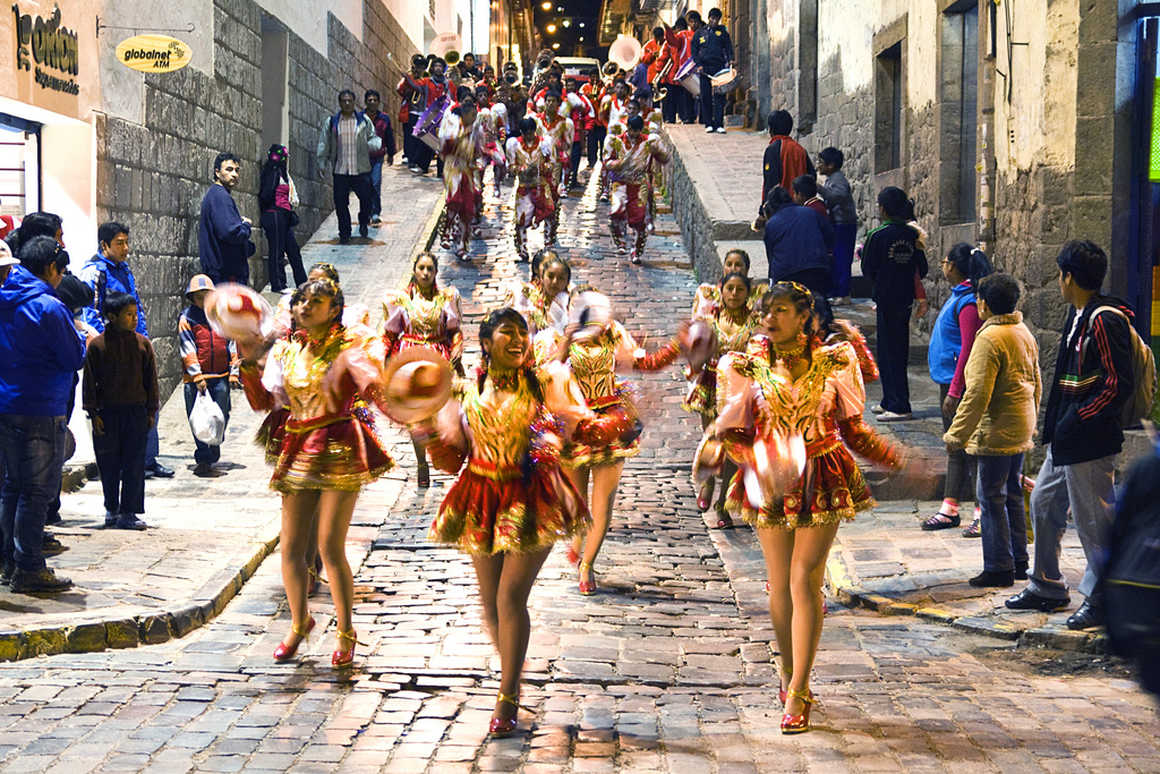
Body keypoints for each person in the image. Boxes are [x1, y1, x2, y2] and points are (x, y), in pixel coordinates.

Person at [420, 308, 633, 735]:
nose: (518, 340)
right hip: (480, 496)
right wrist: (431, 435)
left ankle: (507, 694)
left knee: (510, 596)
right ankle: (513, 670)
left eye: (523, 333)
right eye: (508, 333)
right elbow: (453, 454)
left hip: (531, 497)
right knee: (490, 600)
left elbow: (578, 422)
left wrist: (598, 427)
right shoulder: (466, 389)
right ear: (486, 342)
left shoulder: (545, 382)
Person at [712, 282, 903, 734]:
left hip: (822, 472)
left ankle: (799, 687)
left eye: (779, 310)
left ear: (804, 316)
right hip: (770, 480)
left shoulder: (836, 361)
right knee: (779, 582)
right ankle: (786, 670)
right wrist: (755, 462)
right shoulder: (745, 366)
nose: (769, 318)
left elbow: (852, 428)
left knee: (805, 577)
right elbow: (734, 432)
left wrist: (894, 457)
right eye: (765, 311)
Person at [238, 278, 395, 668]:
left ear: (334, 309)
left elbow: (379, 392)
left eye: (316, 301)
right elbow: (267, 403)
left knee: (329, 544)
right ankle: (299, 622)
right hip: (298, 444)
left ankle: (345, 630)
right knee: (290, 547)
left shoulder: (350, 349)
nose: (305, 307)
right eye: (301, 301)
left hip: (340, 445)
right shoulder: (286, 353)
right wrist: (247, 363)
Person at [1006, 241, 1135, 630]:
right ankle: (1046, 584)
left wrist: (1079, 418)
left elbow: (1117, 384)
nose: (1058, 281)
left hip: (1090, 441)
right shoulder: (1078, 314)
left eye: (1060, 274)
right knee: (1044, 503)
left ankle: (1104, 600)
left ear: (1069, 276)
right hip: (1067, 439)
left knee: (1094, 523)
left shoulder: (1103, 320)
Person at [542, 290, 681, 595]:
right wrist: (567, 340)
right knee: (576, 501)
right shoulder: (559, 337)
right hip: (576, 426)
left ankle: (587, 564)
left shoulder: (614, 333)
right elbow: (547, 373)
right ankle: (578, 542)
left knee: (602, 502)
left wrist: (675, 349)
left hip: (611, 423)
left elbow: (643, 362)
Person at [943, 274, 1041, 587]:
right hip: (1019, 426)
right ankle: (1018, 560)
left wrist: (956, 434)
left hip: (996, 430)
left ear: (983, 304)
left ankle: (999, 565)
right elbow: (1036, 382)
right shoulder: (1022, 331)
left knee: (991, 498)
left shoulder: (989, 338)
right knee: (1012, 493)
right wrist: (1032, 422)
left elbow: (977, 394)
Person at [0, 236, 84, 593]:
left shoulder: (5, 300)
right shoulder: (49, 307)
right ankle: (30, 567)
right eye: (61, 270)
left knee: (11, 488)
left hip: (7, 404)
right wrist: (82, 338)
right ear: (51, 268)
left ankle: (9, 562)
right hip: (41, 407)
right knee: (37, 492)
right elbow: (72, 356)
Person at [78, 222, 173, 480]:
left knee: (145, 399)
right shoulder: (95, 272)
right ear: (104, 245)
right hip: (112, 351)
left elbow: (137, 306)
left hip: (135, 347)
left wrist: (142, 337)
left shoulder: (125, 270)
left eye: (126, 242)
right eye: (119, 243)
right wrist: (105, 346)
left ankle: (148, 459)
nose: (125, 248)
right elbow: (92, 313)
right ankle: (118, 463)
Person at [922, 243, 993, 533]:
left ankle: (980, 511)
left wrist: (955, 389)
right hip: (948, 380)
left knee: (971, 447)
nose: (943, 266)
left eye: (945, 261)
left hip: (959, 384)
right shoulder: (959, 297)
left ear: (953, 266)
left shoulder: (967, 304)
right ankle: (949, 508)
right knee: (954, 445)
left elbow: (967, 348)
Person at [382, 251, 464, 487]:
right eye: (422, 268)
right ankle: (421, 462)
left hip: (438, 360)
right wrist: (383, 359)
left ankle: (440, 454)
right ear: (414, 271)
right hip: (409, 361)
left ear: (436, 272)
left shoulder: (446, 298)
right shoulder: (401, 301)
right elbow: (389, 333)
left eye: (430, 269)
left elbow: (454, 330)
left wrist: (457, 347)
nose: (426, 273)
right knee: (414, 417)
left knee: (438, 414)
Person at [685, 272, 756, 528]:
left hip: (739, 391)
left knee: (733, 448)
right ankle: (708, 481)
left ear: (748, 293)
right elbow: (694, 358)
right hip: (712, 386)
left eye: (739, 289)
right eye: (730, 289)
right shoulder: (708, 319)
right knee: (713, 438)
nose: (734, 294)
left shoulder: (754, 323)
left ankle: (724, 503)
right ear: (721, 291)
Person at [83, 292, 159, 532]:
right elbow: (90, 382)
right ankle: (111, 508)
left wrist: (150, 411)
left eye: (136, 314)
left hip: (136, 412)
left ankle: (129, 511)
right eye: (129, 315)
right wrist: (93, 414)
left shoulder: (142, 344)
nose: (134, 319)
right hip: (107, 415)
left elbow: (151, 381)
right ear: (112, 317)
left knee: (134, 463)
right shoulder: (97, 346)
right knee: (109, 463)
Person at [861, 186, 928, 421]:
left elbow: (867, 268)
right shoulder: (913, 235)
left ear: (883, 208)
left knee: (889, 352)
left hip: (886, 298)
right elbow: (923, 268)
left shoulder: (877, 235)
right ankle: (889, 399)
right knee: (896, 350)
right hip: (904, 299)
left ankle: (899, 405)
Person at [179, 275, 240, 478]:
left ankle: (213, 449)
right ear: (193, 298)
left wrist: (233, 372)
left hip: (220, 375)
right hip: (196, 379)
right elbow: (188, 347)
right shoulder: (187, 319)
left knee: (221, 414)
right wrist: (197, 375)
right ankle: (204, 458)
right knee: (198, 418)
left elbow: (232, 343)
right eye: (199, 297)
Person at [316, 89, 382, 244]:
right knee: (340, 203)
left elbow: (373, 137)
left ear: (354, 102)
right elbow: (324, 143)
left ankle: (363, 220)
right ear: (339, 103)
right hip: (340, 170)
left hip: (360, 169)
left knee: (366, 199)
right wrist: (321, 162)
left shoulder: (364, 121)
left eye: (349, 101)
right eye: (343, 101)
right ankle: (344, 233)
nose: (346, 103)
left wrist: (373, 145)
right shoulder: (332, 122)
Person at [605, 115, 672, 264]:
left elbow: (665, 158)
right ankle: (620, 242)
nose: (633, 134)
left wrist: (658, 152)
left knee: (639, 218)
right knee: (616, 211)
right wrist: (618, 164)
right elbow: (606, 161)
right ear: (627, 127)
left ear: (641, 130)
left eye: (637, 131)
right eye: (631, 130)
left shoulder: (649, 142)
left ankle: (636, 251)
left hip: (639, 183)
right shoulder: (615, 141)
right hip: (620, 182)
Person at [761, 187, 834, 295]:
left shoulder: (772, 223)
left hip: (786, 275)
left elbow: (771, 256)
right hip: (817, 270)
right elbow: (830, 236)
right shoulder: (810, 212)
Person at [199, 153, 254, 285]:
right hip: (226, 276)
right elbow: (230, 233)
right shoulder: (220, 197)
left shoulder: (218, 195)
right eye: (229, 170)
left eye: (237, 170)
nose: (234, 174)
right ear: (217, 173)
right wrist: (246, 226)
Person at [437, 97, 482, 261]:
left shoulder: (475, 128)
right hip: (452, 166)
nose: (475, 117)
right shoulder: (452, 124)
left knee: (468, 209)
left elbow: (477, 150)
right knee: (455, 200)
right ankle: (445, 232)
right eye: (473, 114)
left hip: (467, 168)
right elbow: (443, 147)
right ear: (466, 114)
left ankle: (462, 246)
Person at [258, 145, 307, 293]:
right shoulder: (273, 172)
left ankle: (302, 283)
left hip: (283, 215)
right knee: (277, 251)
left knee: (293, 251)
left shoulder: (282, 173)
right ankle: (278, 284)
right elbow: (266, 194)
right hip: (275, 214)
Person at [506, 117, 555, 264]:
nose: (529, 136)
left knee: (549, 213)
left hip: (541, 186)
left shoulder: (544, 144)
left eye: (531, 132)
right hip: (524, 187)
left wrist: (542, 168)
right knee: (521, 220)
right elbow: (511, 167)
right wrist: (521, 169)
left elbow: (551, 164)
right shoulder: (514, 145)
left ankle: (548, 245)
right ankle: (522, 250)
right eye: (526, 133)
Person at [757, 111, 814, 227]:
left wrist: (762, 212)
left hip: (780, 209)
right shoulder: (800, 149)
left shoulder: (772, 149)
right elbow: (811, 176)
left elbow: (770, 182)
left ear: (771, 129)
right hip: (799, 208)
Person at [816, 147, 856, 305]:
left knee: (842, 258)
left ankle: (843, 293)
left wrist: (819, 189)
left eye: (821, 162)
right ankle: (838, 290)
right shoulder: (832, 178)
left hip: (844, 224)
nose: (818, 165)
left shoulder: (838, 179)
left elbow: (838, 196)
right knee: (837, 258)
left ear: (830, 165)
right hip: (838, 223)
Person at [691, 8, 731, 133]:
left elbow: (728, 48)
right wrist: (698, 64)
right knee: (706, 96)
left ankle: (719, 124)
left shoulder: (722, 33)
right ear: (709, 18)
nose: (714, 21)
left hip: (718, 68)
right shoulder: (700, 33)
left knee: (719, 95)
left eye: (717, 19)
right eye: (712, 18)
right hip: (704, 68)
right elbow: (694, 50)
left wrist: (731, 59)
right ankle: (708, 123)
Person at [363, 89, 397, 227]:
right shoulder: (360, 118)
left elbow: (389, 136)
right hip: (363, 157)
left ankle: (376, 212)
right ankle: (366, 212)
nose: (372, 102)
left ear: (378, 102)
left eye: (374, 100)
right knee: (365, 185)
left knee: (375, 183)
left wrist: (391, 153)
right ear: (366, 102)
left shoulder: (384, 118)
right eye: (369, 100)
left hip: (378, 156)